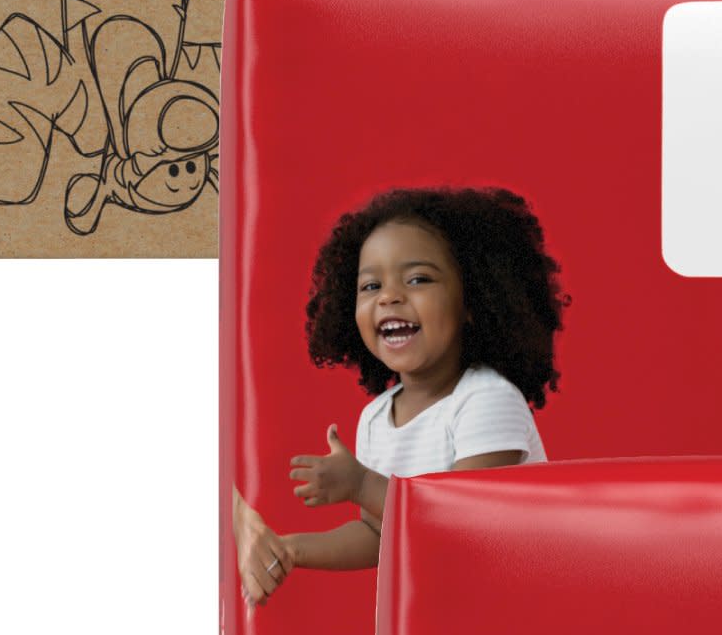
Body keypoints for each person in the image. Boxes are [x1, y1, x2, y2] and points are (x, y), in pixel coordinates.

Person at [237, 185, 563, 603]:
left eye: (418, 279)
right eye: (371, 286)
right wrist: (292, 549)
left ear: (472, 301)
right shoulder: (375, 419)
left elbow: (458, 523)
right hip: (441, 615)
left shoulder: (487, 400)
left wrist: (361, 484)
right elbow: (379, 533)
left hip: (515, 607)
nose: (389, 296)